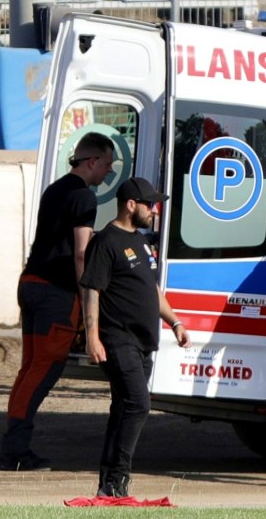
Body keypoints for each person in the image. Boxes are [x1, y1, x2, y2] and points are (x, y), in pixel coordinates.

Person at [0, 132, 116, 471]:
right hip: (56, 294)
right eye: (107, 164)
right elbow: (81, 254)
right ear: (92, 161)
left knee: (30, 370)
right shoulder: (84, 197)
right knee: (42, 371)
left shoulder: (55, 189)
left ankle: (13, 446)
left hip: (31, 283)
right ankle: (14, 451)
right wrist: (88, 298)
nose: (108, 172)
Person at [81, 177, 190, 498]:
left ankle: (108, 485)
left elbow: (151, 291)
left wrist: (175, 322)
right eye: (149, 204)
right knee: (139, 404)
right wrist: (92, 337)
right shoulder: (106, 242)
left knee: (123, 408)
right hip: (117, 339)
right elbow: (92, 290)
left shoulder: (141, 242)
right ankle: (119, 478)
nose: (154, 209)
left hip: (143, 342)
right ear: (131, 205)